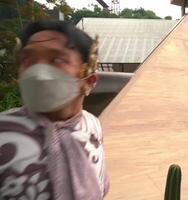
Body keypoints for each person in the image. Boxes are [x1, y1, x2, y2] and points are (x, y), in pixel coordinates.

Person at [0, 21, 109, 200]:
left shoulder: (93, 126)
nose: (38, 72)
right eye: (28, 60)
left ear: (89, 80)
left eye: (57, 60)